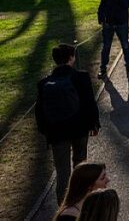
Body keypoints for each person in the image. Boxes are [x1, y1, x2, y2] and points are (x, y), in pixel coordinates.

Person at [36, 44, 100, 206]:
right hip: (79, 128)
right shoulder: (81, 77)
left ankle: (64, 208)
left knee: (62, 172)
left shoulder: (44, 83)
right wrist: (94, 124)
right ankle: (81, 202)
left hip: (57, 132)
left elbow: (40, 111)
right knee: (80, 165)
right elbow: (89, 103)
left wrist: (45, 131)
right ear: (71, 58)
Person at [96, 0, 129, 81]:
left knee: (125, 45)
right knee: (106, 47)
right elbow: (101, 8)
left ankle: (128, 66)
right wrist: (101, 20)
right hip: (108, 25)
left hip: (121, 24)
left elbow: (126, 6)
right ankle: (103, 68)